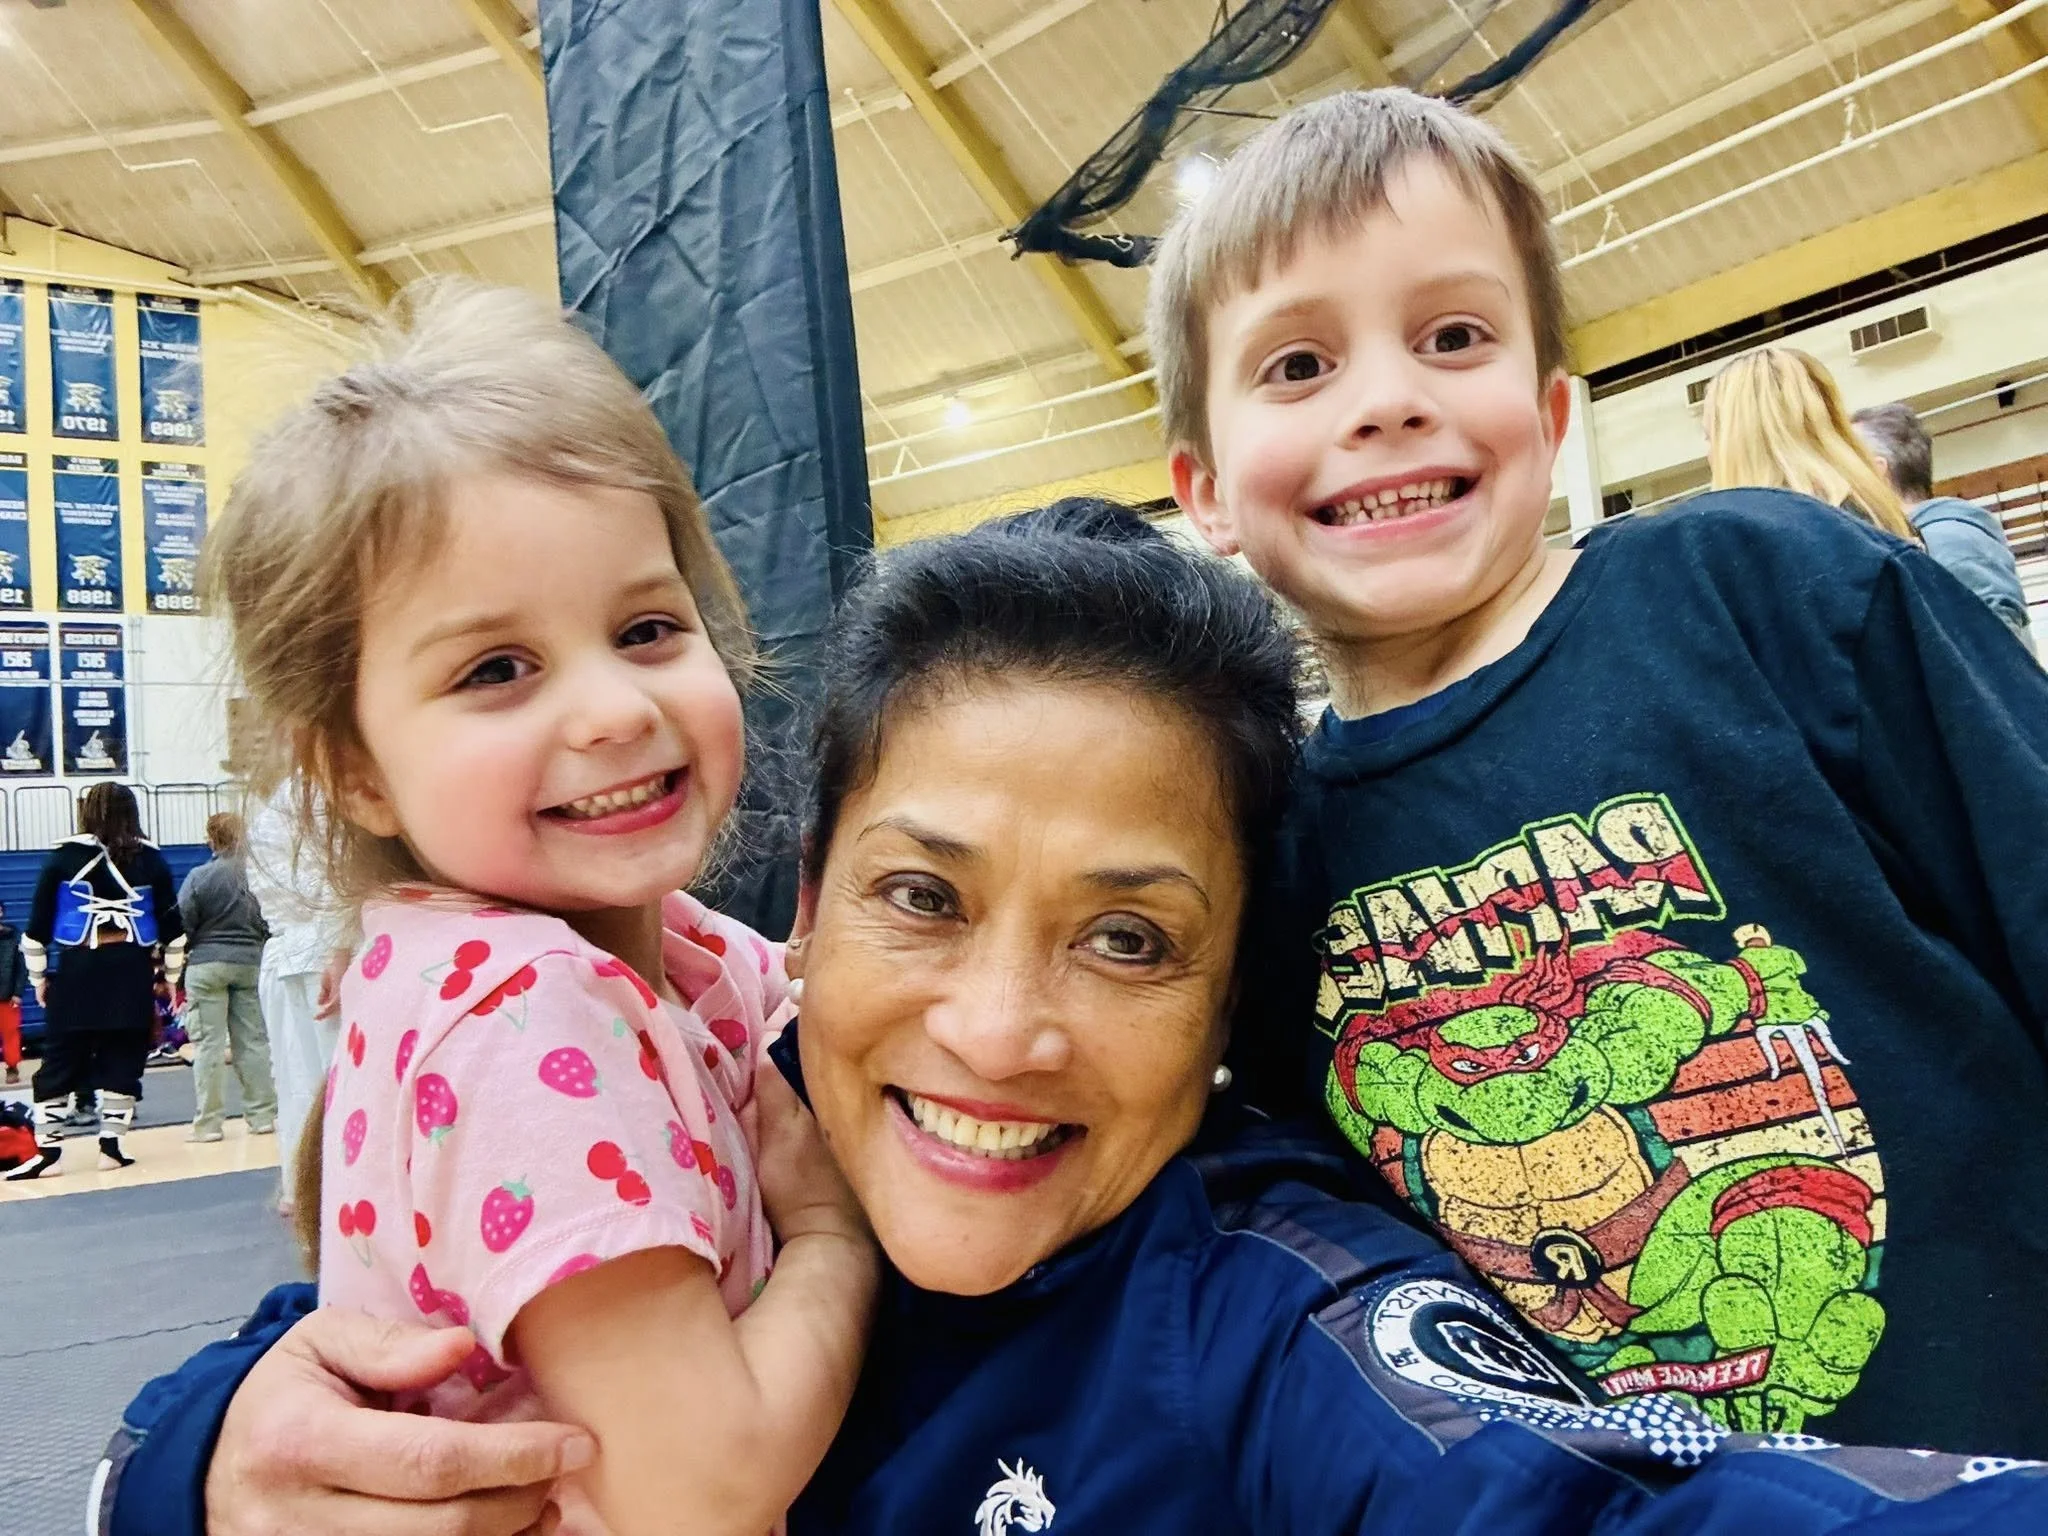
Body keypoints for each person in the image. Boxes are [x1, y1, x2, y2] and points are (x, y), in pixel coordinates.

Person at [95, 508, 2048, 1536]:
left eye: (1128, 941)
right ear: (800, 909)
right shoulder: (670, 1109)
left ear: (1224, 1008)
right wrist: (205, 1466)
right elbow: (291, 1374)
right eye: (922, 898)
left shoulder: (1263, 1319)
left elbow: (1600, 1506)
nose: (998, 1029)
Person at [1152, 87, 2048, 1456]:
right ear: (1204, 486)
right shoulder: (1262, 851)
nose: (1389, 401)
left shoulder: (1764, 592)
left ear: (1553, 408)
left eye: (1454, 337)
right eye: (1298, 367)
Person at [165, 276, 875, 1535]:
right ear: (355, 769)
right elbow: (702, 1491)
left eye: (648, 627)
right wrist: (828, 1237)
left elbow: (796, 995)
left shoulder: (654, 949)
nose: (611, 708)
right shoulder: (527, 1011)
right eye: (497, 669)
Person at [6, 781, 184, 1178]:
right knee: (124, 1054)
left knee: (60, 1055)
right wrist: (170, 978)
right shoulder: (151, 859)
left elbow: (34, 932)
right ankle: (112, 1147)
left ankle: (47, 1151)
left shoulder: (62, 858)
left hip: (78, 967)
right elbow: (175, 930)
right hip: (130, 970)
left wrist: (38, 979)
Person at [1851, 400, 2037, 655]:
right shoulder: (1913, 546)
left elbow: (1996, 664)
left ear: (1876, 470)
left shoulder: (1947, 539)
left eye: (1842, 464)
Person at [244, 783, 347, 1215]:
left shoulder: (270, 807)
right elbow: (340, 881)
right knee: (341, 1081)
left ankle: (299, 1186)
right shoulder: (325, 792)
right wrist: (341, 948)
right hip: (325, 950)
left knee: (295, 1079)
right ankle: (338, 1189)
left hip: (286, 950)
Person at [1703, 347, 1918, 539]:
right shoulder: (1876, 512)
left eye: (1710, 437)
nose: (1709, 455)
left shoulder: (1756, 543)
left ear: (1737, 444)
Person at [178, 810, 277, 1143]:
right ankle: (262, 1116)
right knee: (253, 1041)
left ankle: (208, 1125)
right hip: (251, 961)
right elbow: (270, 920)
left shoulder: (199, 877)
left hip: (206, 963)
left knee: (209, 1046)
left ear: (211, 838)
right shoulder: (260, 875)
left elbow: (184, 919)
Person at [0, 898, 26, 1086]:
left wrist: (18, 992)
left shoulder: (13, 938)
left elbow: (22, 967)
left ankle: (12, 1067)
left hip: (7, 995)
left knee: (11, 1033)